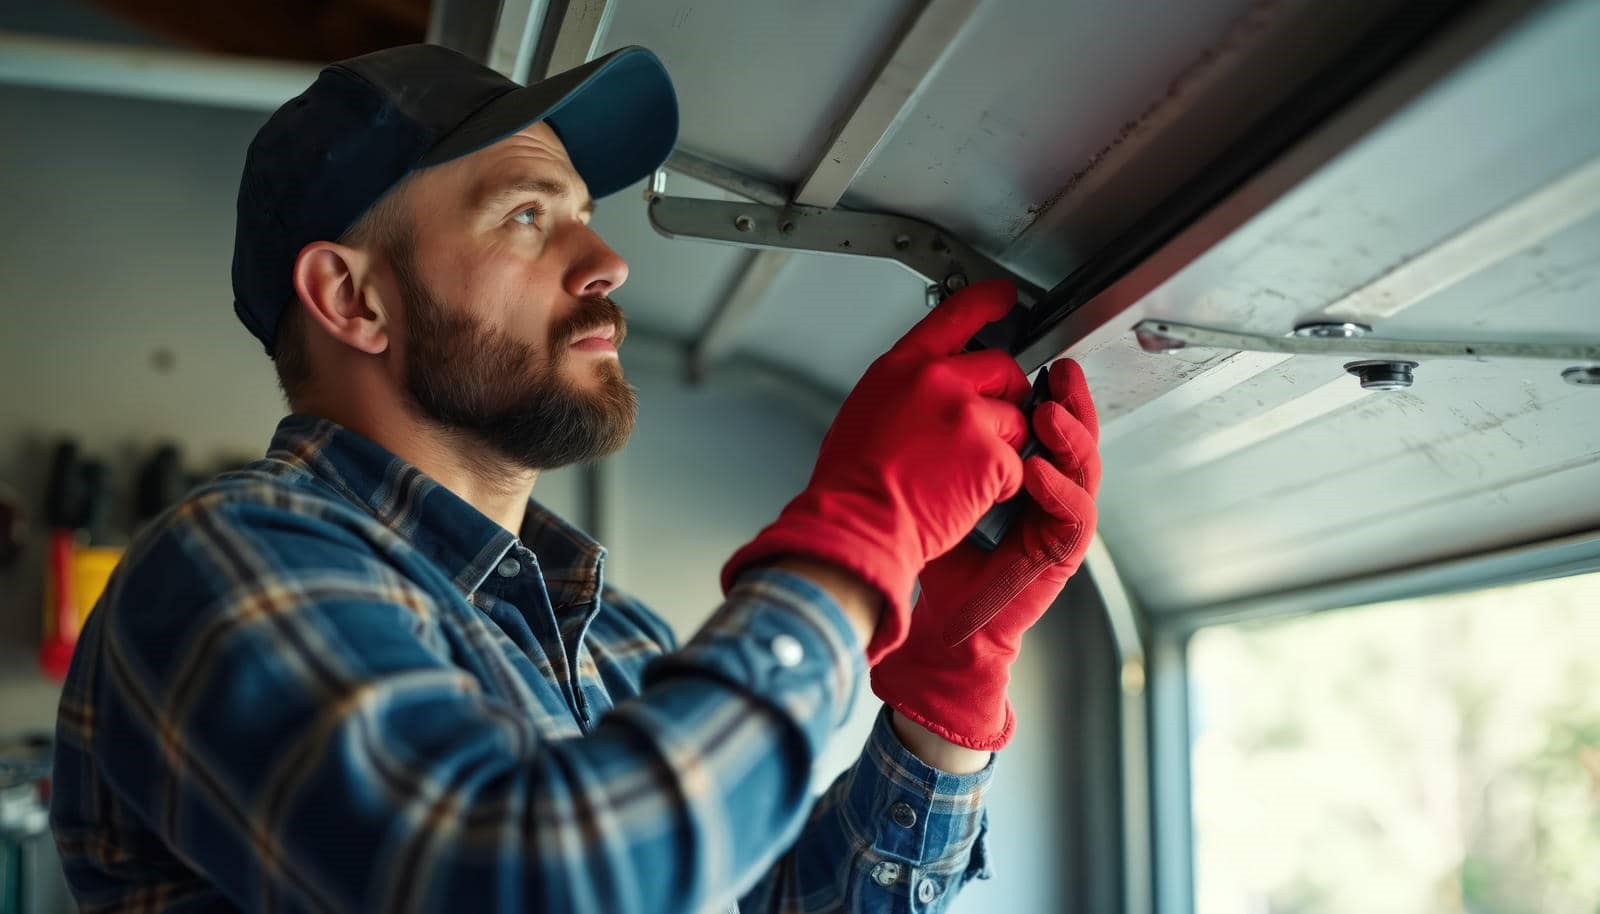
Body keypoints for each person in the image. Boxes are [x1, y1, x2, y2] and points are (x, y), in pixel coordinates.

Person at [49, 43, 1100, 914]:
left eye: (585, 211)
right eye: (526, 214)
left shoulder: (617, 638)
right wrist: (861, 536)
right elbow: (535, 885)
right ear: (353, 298)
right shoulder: (225, 567)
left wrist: (943, 688)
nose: (607, 260)